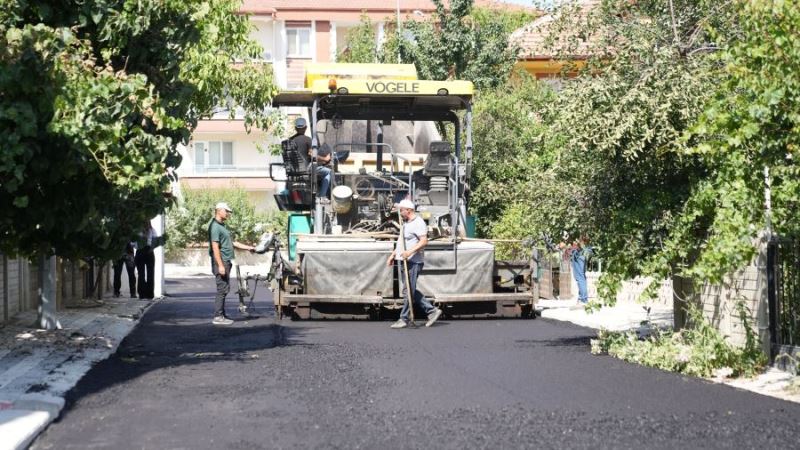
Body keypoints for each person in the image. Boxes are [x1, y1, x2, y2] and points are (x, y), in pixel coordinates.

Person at [386, 199, 443, 329]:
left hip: (413, 262)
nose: (400, 212)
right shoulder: (406, 223)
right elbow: (402, 242)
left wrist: (409, 252)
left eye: (402, 210)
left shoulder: (418, 223)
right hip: (403, 260)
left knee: (408, 291)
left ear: (409, 210)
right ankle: (432, 311)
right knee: (409, 290)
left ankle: (404, 318)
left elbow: (424, 241)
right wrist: (393, 255)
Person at [208, 202, 256, 325]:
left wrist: (249, 247)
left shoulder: (222, 226)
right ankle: (218, 317)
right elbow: (215, 247)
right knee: (222, 289)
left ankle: (221, 314)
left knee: (225, 288)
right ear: (219, 210)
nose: (228, 213)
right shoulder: (215, 227)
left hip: (225, 261)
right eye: (226, 211)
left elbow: (232, 243)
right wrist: (220, 265)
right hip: (221, 261)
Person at [565, 235, 593, 305]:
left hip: (579, 254)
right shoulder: (586, 236)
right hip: (583, 254)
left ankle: (583, 299)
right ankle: (581, 298)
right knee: (582, 277)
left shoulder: (580, 237)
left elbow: (579, 244)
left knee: (580, 278)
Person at [135, 221, 158, 300]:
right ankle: (149, 294)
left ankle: (142, 294)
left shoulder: (138, 231)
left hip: (141, 251)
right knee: (149, 273)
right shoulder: (152, 230)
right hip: (148, 251)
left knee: (142, 273)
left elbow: (133, 243)